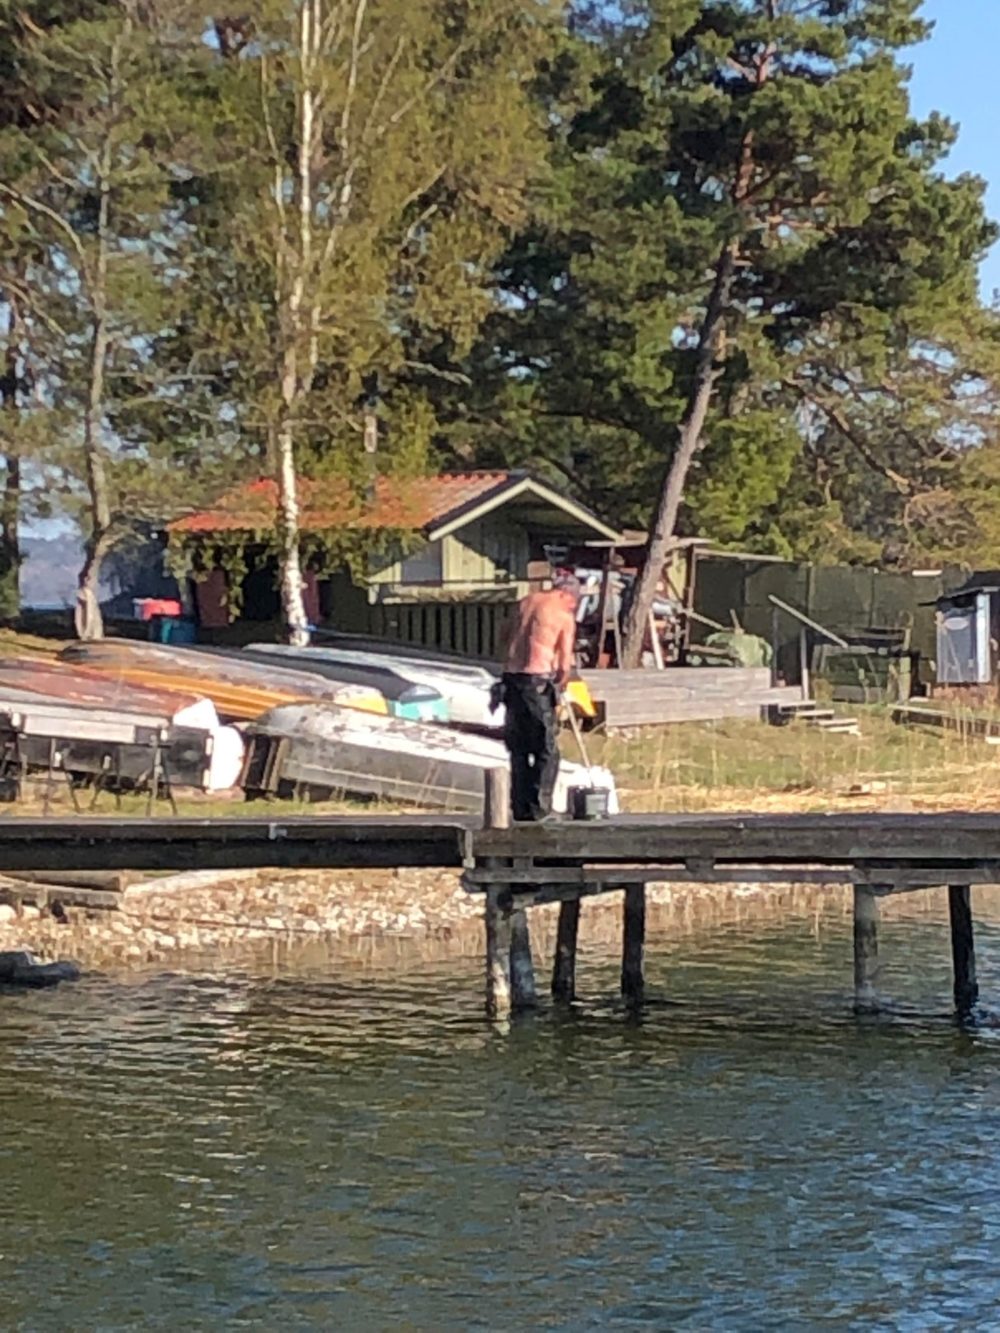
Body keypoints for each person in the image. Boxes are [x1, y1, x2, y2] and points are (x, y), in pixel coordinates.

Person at [500, 573, 581, 821]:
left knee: (519, 748)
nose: (574, 606)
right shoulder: (563, 615)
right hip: (537, 683)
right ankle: (540, 808)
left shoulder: (525, 602)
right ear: (566, 595)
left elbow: (504, 637)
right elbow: (564, 663)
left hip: (511, 679)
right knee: (547, 750)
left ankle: (519, 807)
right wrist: (562, 683)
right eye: (575, 602)